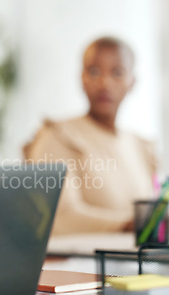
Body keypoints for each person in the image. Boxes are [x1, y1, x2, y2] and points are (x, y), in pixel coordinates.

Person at [23, 37, 157, 235]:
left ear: (132, 82)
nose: (105, 83)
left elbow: (154, 217)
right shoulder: (57, 136)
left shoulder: (141, 146)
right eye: (94, 72)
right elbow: (60, 217)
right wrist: (132, 223)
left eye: (117, 72)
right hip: (80, 264)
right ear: (82, 78)